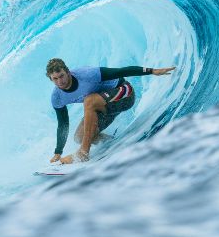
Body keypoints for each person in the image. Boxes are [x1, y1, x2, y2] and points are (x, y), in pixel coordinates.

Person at [46, 58, 176, 164]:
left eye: (61, 76)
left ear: (68, 72)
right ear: (50, 79)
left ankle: (83, 153)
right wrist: (58, 152)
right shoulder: (57, 97)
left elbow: (121, 71)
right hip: (104, 108)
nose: (60, 81)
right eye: (55, 79)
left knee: (89, 100)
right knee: (80, 137)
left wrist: (152, 71)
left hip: (124, 94)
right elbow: (63, 124)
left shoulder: (87, 74)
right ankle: (114, 143)